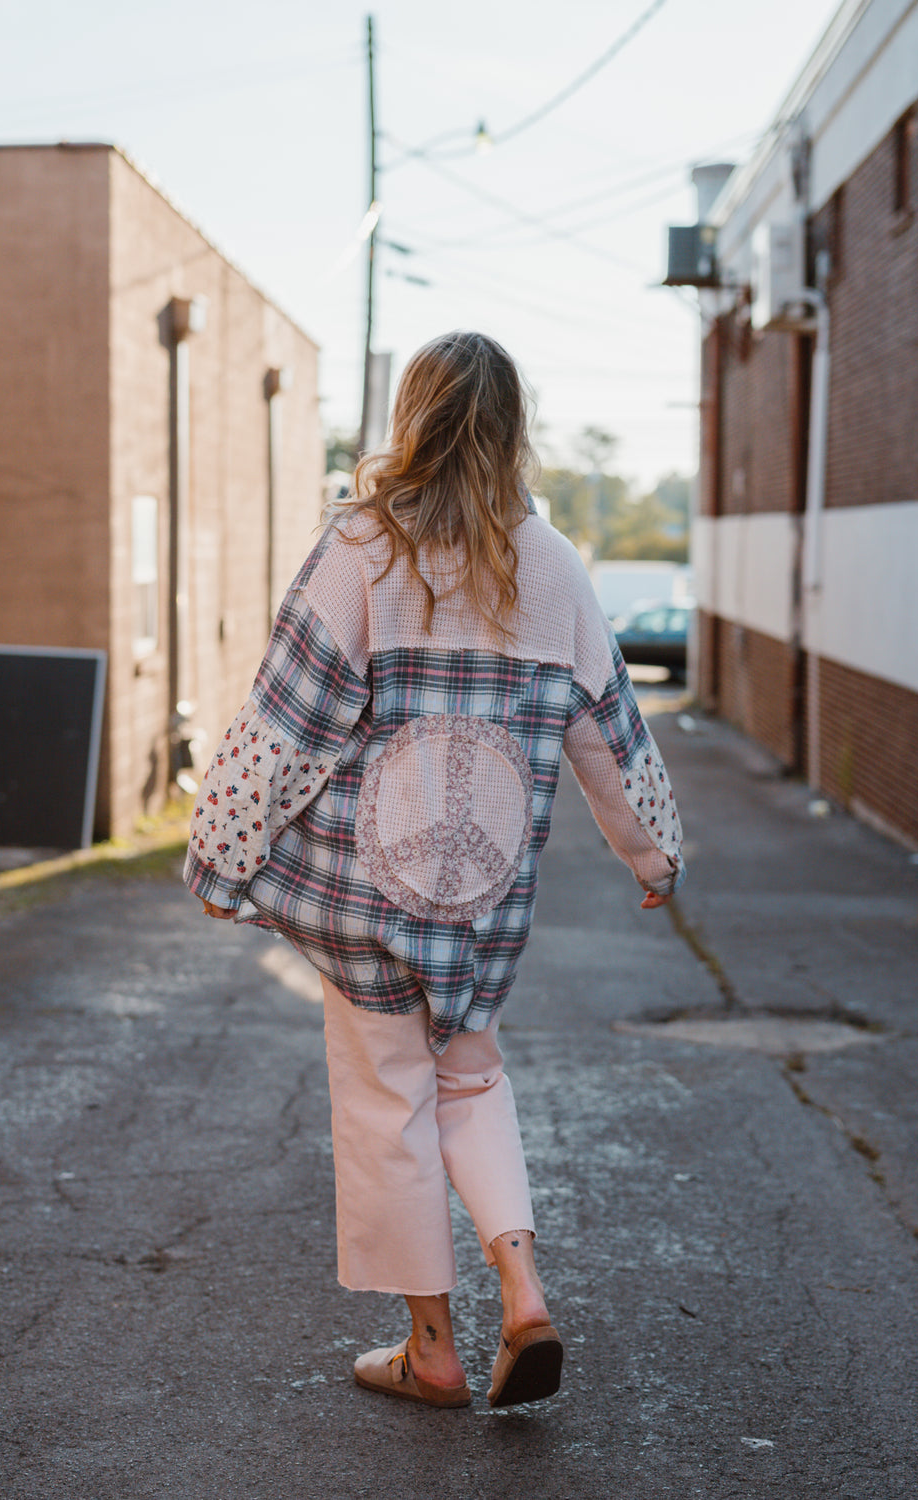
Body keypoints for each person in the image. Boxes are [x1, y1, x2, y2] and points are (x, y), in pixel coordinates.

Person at [183, 330, 683, 1409]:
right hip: (486, 896)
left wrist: (221, 852)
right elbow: (611, 731)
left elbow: (289, 716)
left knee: (385, 1101)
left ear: (413, 417)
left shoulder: (365, 546)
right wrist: (655, 852)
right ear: (513, 427)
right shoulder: (550, 564)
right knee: (472, 1076)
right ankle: (524, 1284)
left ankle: (430, 1349)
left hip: (370, 889)